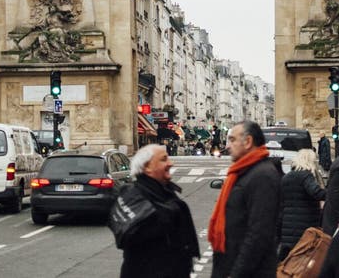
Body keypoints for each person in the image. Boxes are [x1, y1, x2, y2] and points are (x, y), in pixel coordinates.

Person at [111, 143, 199, 278]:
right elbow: (134, 235)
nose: (171, 163)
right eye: (164, 159)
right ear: (147, 167)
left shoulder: (161, 191)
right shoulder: (134, 195)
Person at [208, 119, 281, 278]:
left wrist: (236, 274)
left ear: (248, 142)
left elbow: (258, 234)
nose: (228, 146)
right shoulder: (243, 172)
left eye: (232, 140)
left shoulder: (262, 175)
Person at [279, 148, 326, 260]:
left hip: (288, 225)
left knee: (289, 260)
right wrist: (330, 193)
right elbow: (316, 193)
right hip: (304, 225)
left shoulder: (286, 177)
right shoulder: (306, 176)